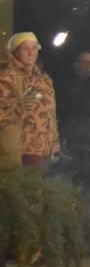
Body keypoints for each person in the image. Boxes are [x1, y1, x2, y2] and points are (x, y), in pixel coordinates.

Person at [0, 32, 59, 169]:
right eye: (25, 48)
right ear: (15, 52)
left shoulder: (44, 80)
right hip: (19, 150)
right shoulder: (6, 78)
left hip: (44, 150)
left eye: (34, 48)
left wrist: (54, 142)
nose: (31, 52)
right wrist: (18, 105)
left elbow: (51, 113)